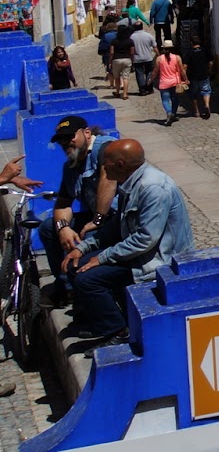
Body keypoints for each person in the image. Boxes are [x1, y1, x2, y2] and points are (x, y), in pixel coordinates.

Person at [64, 139, 196, 344]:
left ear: (120, 165)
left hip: (158, 261)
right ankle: (101, 321)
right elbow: (117, 225)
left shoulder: (153, 188)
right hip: (138, 255)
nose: (102, 167)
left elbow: (146, 239)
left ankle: (118, 331)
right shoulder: (129, 183)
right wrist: (83, 248)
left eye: (105, 162)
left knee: (88, 279)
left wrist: (103, 257)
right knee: (76, 265)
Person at [43, 118, 117, 304]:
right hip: (96, 219)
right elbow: (62, 204)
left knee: (86, 237)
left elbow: (108, 180)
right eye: (61, 140)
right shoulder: (71, 166)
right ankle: (67, 287)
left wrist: (98, 219)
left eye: (70, 137)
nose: (65, 143)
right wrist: (63, 227)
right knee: (48, 228)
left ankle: (85, 296)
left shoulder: (105, 149)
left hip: (118, 220)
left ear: (86, 133)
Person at [153, 42, 188, 127]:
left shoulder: (159, 59)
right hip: (175, 82)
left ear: (163, 49)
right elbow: (182, 70)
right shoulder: (177, 57)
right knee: (175, 99)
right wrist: (186, 79)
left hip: (164, 83)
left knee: (165, 100)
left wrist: (151, 80)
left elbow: (155, 71)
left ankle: (169, 113)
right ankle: (174, 114)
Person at [182, 36, 213, 119]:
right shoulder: (205, 51)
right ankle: (206, 105)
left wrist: (184, 78)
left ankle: (197, 111)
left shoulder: (189, 53)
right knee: (206, 91)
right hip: (204, 75)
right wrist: (209, 71)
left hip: (193, 77)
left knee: (194, 94)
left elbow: (184, 66)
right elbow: (210, 63)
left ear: (191, 43)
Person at [129, 22, 157, 95]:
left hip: (137, 58)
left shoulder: (131, 37)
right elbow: (155, 47)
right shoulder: (148, 35)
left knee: (139, 74)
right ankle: (149, 87)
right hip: (148, 58)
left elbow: (131, 50)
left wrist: (131, 59)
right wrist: (158, 55)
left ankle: (142, 89)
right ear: (142, 27)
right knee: (149, 72)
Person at [108, 24, 134, 100]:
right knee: (126, 77)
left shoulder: (114, 41)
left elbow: (112, 52)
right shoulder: (130, 41)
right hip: (127, 59)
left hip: (116, 60)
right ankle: (125, 94)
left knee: (117, 77)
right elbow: (132, 52)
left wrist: (110, 62)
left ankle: (117, 92)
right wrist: (132, 60)